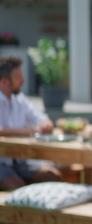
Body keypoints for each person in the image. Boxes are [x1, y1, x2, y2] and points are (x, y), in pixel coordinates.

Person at [0, 56, 62, 190]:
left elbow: (39, 118)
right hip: (2, 162)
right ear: (5, 81)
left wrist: (46, 123)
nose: (23, 81)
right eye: (18, 78)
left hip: (21, 159)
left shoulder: (19, 99)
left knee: (53, 176)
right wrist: (25, 131)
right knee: (19, 189)